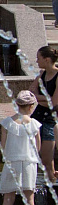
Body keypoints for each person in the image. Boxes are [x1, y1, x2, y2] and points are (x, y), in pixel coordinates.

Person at [0, 91, 41, 205]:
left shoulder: (6, 123)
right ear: (31, 107)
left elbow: (3, 145)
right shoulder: (35, 124)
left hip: (12, 162)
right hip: (29, 163)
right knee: (29, 199)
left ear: (17, 105)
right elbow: (38, 147)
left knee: (8, 198)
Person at [29, 46, 58, 184]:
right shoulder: (42, 74)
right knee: (32, 157)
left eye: (38, 58)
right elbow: (30, 92)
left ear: (46, 60)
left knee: (47, 161)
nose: (36, 61)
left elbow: (53, 103)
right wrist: (44, 98)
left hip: (50, 120)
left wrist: (38, 98)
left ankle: (52, 185)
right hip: (36, 118)